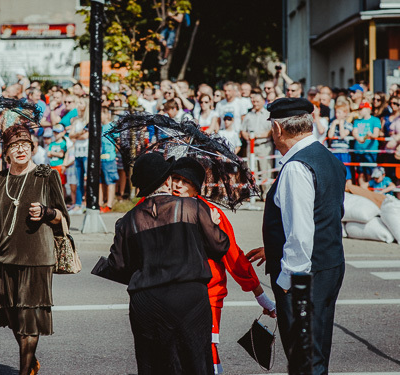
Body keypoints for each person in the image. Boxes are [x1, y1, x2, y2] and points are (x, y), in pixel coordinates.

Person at [92, 152, 230, 375]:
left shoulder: (128, 220)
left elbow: (118, 265)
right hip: (189, 298)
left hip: (147, 301)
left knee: (154, 365)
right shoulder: (192, 208)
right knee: (195, 363)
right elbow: (220, 247)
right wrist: (212, 225)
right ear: (166, 180)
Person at [248, 98, 346, 375]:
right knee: (316, 350)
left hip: (305, 274)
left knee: (304, 357)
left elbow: (302, 234)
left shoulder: (295, 167)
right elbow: (326, 214)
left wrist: (288, 279)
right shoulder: (328, 158)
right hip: (329, 264)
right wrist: (274, 247)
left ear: (278, 128)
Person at [0, 125, 69, 375]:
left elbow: (62, 216)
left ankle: (24, 371)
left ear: (32, 148)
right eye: (14, 146)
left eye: (25, 145)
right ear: (5, 154)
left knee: (29, 321)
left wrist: (47, 213)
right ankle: (31, 361)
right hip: (3, 257)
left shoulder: (46, 175)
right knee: (15, 318)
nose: (20, 150)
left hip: (37, 257)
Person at [170, 157, 276, 375]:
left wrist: (261, 296)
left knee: (207, 352)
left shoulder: (212, 214)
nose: (177, 185)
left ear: (196, 186)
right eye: (175, 179)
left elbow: (234, 258)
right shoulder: (160, 208)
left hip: (208, 294)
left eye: (185, 181)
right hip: (170, 295)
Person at [240, 93, 273, 199]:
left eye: (257, 101)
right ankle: (254, 194)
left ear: (263, 101)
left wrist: (257, 136)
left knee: (265, 170)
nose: (255, 103)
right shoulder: (249, 115)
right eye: (254, 101)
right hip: (252, 146)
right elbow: (243, 130)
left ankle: (266, 194)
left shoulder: (268, 114)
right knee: (252, 170)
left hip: (264, 146)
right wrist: (247, 137)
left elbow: (270, 131)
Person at [352, 101, 381, 185]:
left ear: (368, 109)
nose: (359, 111)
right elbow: (355, 132)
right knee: (360, 172)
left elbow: (376, 134)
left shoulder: (375, 120)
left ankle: (368, 190)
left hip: (370, 150)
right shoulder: (357, 121)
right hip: (359, 150)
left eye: (361, 109)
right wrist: (359, 138)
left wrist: (370, 135)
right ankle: (362, 190)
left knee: (370, 172)